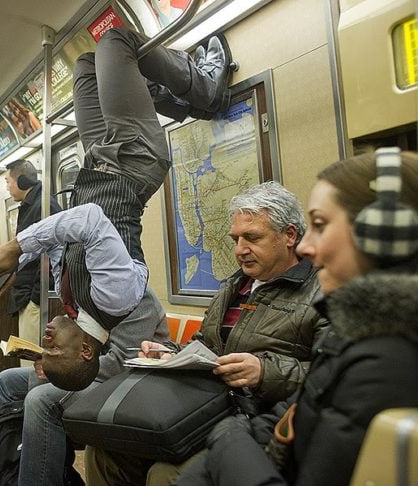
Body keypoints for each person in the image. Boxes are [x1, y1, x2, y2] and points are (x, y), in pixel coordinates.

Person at [0, 27, 233, 391]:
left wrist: (12, 266)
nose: (47, 341)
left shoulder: (73, 301)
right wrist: (18, 246)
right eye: (55, 350)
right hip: (135, 161)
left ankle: (175, 103)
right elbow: (88, 220)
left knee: (87, 67)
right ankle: (208, 92)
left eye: (45, 350)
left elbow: (59, 244)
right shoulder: (114, 297)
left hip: (98, 162)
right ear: (87, 350)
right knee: (116, 42)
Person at [177, 149, 418, 486]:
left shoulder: (384, 360)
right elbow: (297, 411)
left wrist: (227, 434)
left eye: (319, 225)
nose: (306, 247)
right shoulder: (353, 331)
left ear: (384, 238)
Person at [84, 181, 329, 485]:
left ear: (289, 235)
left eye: (252, 237)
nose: (240, 250)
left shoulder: (320, 294)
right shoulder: (234, 286)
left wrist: (264, 372)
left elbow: (327, 378)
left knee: (167, 474)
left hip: (261, 419)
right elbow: (206, 344)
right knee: (104, 450)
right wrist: (172, 354)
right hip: (208, 406)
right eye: (236, 239)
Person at [0, 288, 170, 486]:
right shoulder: (92, 295)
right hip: (90, 373)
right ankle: (5, 471)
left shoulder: (138, 298)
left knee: (40, 400)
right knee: (6, 382)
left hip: (126, 384)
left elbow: (120, 362)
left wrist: (61, 369)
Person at [4, 159, 62, 348]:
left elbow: (54, 255)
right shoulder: (31, 206)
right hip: (26, 296)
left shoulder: (44, 207)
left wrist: (36, 298)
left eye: (8, 182)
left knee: (31, 360)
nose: (7, 187)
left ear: (21, 181)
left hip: (34, 299)